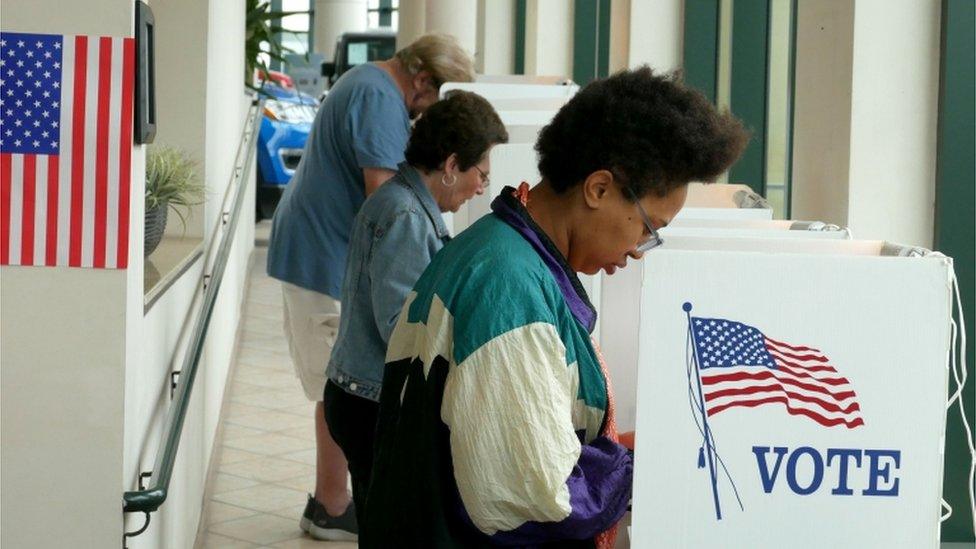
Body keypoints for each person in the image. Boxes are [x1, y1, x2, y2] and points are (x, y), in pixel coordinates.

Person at [362, 67, 749, 548]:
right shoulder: (510, 287)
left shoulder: (502, 250)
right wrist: (639, 467)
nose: (638, 249)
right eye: (649, 228)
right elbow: (542, 496)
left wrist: (620, 451)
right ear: (599, 189)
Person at [265, 34, 475, 541]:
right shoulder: (381, 99)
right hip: (321, 256)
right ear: (423, 80)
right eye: (438, 97)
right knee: (339, 383)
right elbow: (388, 202)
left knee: (335, 382)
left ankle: (331, 501)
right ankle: (331, 507)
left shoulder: (367, 82)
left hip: (318, 247)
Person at [322, 90, 509, 530]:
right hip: (369, 401)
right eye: (481, 173)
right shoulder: (405, 215)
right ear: (450, 165)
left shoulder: (403, 202)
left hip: (361, 395)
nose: (483, 186)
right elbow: (401, 327)